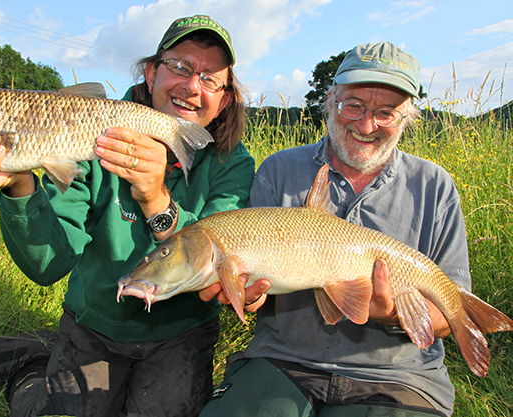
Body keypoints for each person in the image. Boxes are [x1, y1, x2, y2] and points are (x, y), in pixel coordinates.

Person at [0, 15, 255, 417]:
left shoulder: (234, 163)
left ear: (225, 99)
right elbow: (48, 265)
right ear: (150, 72)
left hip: (181, 331)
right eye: (179, 67)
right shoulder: (92, 135)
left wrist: (155, 198)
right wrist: (17, 184)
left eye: (210, 78)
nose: (192, 86)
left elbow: (214, 264)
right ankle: (33, 369)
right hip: (95, 325)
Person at [199, 42, 470, 417]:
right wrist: (246, 295)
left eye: (386, 112)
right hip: (284, 361)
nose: (366, 124)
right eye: (354, 105)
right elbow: (251, 287)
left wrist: (390, 312)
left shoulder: (434, 187)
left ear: (408, 117)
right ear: (330, 101)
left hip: (397, 376)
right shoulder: (278, 170)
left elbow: (447, 311)